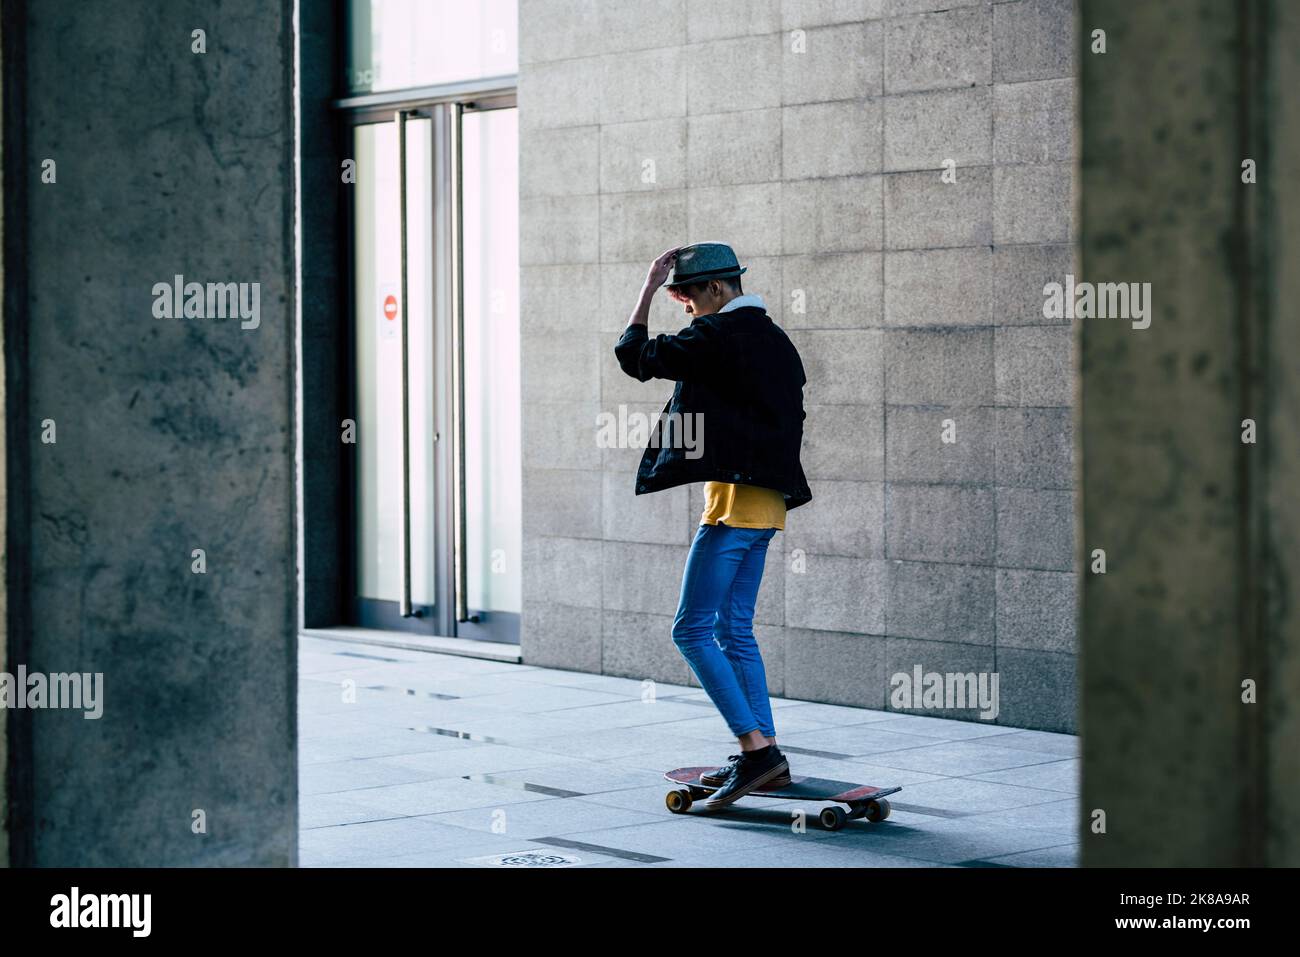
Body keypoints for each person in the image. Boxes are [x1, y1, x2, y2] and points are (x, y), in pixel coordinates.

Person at [614, 241, 812, 808]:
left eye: (688, 297)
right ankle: (767, 753)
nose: (687, 308)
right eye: (676, 298)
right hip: (766, 506)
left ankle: (755, 750)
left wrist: (648, 286)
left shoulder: (719, 334)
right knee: (735, 629)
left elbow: (635, 358)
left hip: (732, 508)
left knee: (692, 629)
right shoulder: (775, 339)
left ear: (719, 289)